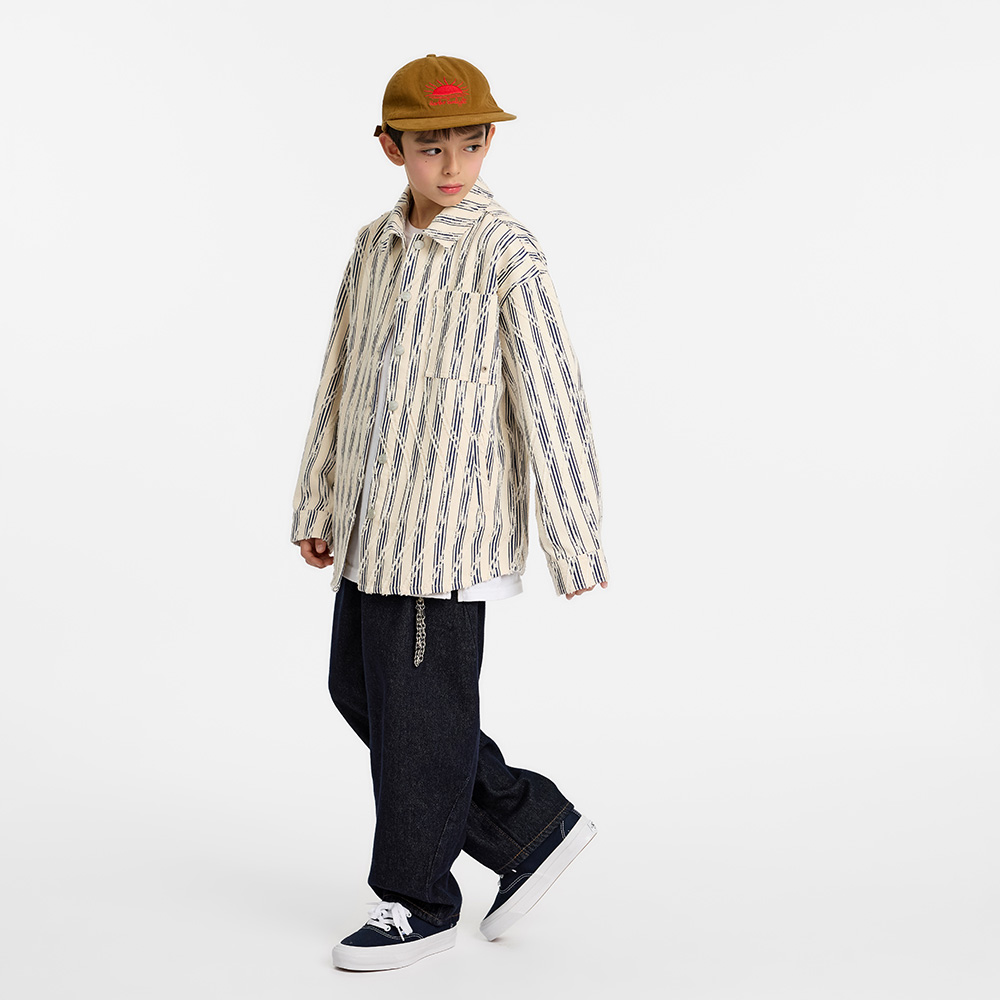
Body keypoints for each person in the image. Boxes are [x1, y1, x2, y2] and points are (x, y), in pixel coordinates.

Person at [290, 53, 608, 972]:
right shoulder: (373, 247)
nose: (455, 165)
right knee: (361, 691)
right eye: (433, 148)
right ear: (391, 148)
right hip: (370, 526)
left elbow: (551, 396)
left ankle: (419, 898)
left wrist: (575, 541)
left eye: (472, 144)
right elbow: (339, 377)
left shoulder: (506, 251)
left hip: (445, 534)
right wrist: (318, 499)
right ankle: (528, 825)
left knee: (422, 713)